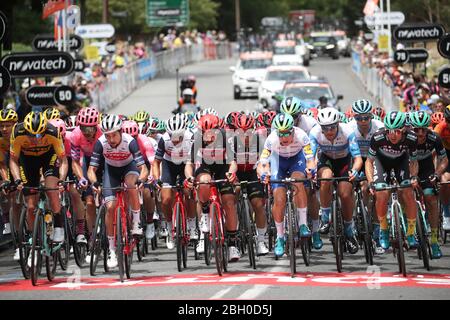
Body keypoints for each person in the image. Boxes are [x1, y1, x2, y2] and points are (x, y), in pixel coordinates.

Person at [87, 115, 148, 269]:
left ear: (121, 131)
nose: (111, 139)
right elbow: (91, 169)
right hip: (111, 171)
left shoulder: (130, 142)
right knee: (110, 207)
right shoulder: (101, 143)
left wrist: (141, 180)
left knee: (130, 184)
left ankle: (135, 223)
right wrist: (94, 182)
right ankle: (112, 250)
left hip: (129, 167)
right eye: (107, 135)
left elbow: (143, 168)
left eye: (114, 134)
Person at [10, 111, 68, 268]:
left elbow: (63, 159)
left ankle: (58, 224)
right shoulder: (17, 132)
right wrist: (16, 180)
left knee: (51, 188)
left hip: (48, 157)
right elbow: (13, 160)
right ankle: (32, 242)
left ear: (44, 130)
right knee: (30, 206)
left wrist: (61, 180)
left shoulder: (53, 132)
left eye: (37, 135)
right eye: (30, 134)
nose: (33, 138)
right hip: (27, 161)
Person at [257, 113, 316, 257]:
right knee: (279, 199)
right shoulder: (271, 140)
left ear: (293, 130)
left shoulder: (302, 135)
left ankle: (302, 224)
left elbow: (310, 159)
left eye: (286, 133)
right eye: (280, 133)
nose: (283, 137)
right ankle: (280, 237)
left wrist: (311, 170)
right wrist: (264, 174)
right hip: (279, 162)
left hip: (297, 159)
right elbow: (262, 163)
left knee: (298, 182)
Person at [184, 114, 241, 262]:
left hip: (223, 167)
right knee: (203, 182)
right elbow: (189, 165)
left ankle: (232, 244)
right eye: (205, 133)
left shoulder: (226, 138)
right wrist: (189, 177)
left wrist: (231, 173)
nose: (209, 136)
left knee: (229, 201)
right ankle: (204, 218)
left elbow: (233, 162)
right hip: (206, 167)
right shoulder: (197, 140)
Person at [309, 107, 363, 254]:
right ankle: (325, 218)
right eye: (325, 128)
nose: (330, 131)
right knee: (325, 178)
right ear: (321, 128)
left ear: (338, 124)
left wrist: (355, 170)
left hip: (344, 161)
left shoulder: (347, 132)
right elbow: (311, 158)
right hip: (326, 160)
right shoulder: (314, 133)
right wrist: (312, 171)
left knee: (345, 194)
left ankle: (349, 229)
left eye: (333, 127)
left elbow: (357, 158)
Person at [365, 111, 419, 250]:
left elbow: (413, 161)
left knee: (407, 192)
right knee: (381, 194)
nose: (392, 135)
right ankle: (383, 230)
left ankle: (411, 233)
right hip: (382, 162)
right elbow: (369, 161)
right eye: (389, 131)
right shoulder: (378, 137)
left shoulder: (412, 137)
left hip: (401, 161)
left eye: (397, 131)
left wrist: (413, 176)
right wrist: (371, 182)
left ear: (404, 130)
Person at [152, 114, 196, 249]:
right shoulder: (164, 140)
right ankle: (170, 227)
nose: (175, 140)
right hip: (169, 164)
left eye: (178, 137)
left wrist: (192, 178)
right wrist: (157, 179)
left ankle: (192, 226)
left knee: (188, 191)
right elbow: (156, 162)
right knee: (165, 199)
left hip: (186, 164)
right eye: (172, 137)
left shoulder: (191, 138)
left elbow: (196, 161)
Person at [410, 111, 447, 259]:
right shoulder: (406, 139)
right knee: (406, 197)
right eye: (416, 130)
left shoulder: (434, 138)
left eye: (423, 129)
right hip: (407, 166)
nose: (420, 133)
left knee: (430, 198)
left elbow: (444, 160)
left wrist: (437, 174)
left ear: (428, 128)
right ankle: (410, 230)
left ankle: (433, 241)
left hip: (426, 168)